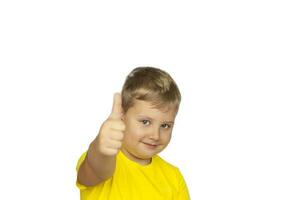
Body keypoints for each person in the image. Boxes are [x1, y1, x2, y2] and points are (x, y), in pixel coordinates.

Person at [75, 66, 190, 199]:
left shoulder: (173, 177)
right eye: (145, 122)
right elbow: (95, 170)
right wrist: (101, 149)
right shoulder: (103, 159)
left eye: (165, 125)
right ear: (122, 115)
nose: (155, 135)